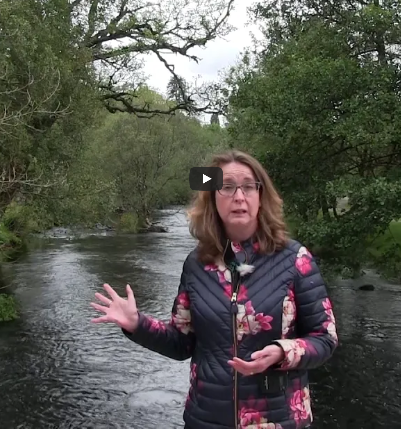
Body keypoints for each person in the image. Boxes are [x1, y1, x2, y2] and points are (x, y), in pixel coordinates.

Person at [91, 149, 338, 429]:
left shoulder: (296, 259)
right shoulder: (197, 264)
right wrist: (137, 324)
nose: (239, 196)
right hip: (205, 419)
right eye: (226, 187)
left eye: (248, 186)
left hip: (278, 420)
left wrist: (283, 351)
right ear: (212, 198)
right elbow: (182, 342)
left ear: (261, 196)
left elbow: (324, 338)